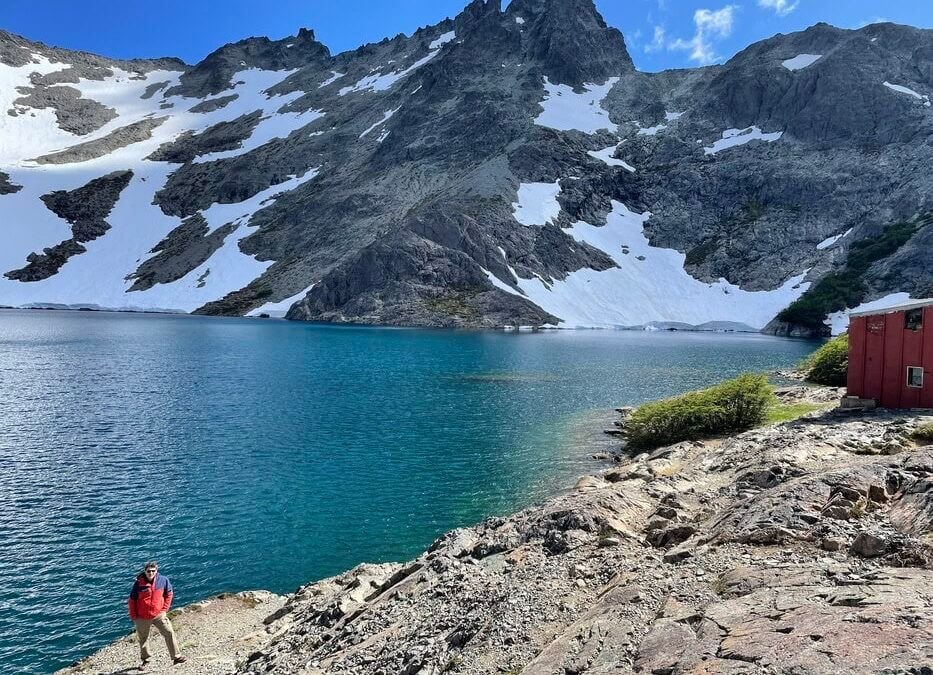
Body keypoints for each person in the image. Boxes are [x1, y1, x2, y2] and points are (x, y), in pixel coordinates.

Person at [127, 561, 187, 669]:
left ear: (157, 570)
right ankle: (146, 660)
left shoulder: (163, 580)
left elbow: (169, 593)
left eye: (153, 571)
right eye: (148, 571)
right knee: (143, 638)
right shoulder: (138, 583)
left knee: (169, 632)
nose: (151, 573)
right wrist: (134, 616)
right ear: (145, 571)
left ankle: (176, 657)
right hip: (142, 617)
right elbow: (132, 600)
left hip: (158, 614)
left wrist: (164, 609)